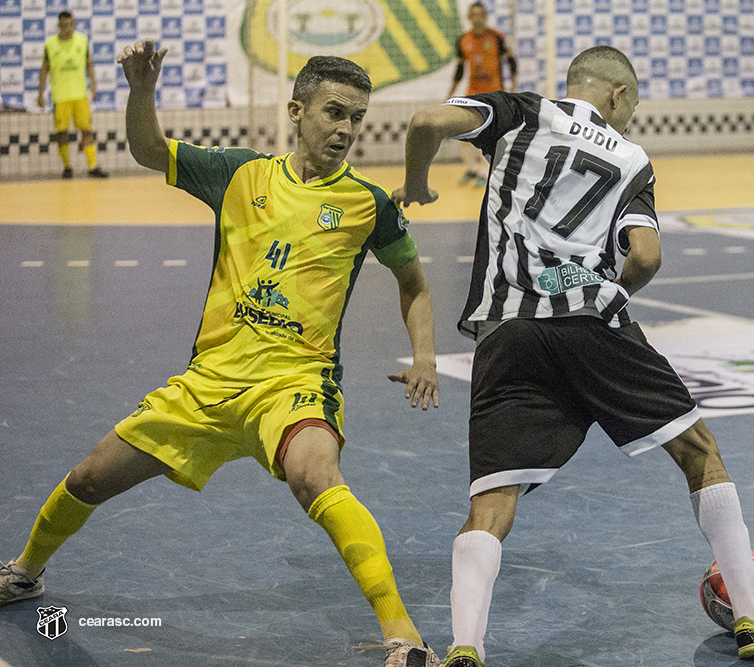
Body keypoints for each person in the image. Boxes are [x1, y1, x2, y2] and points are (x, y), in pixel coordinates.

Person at [2, 40, 440, 667]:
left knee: (316, 477)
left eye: (356, 118)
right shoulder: (240, 173)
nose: (346, 130)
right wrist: (142, 89)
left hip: (293, 384)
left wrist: (423, 355)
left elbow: (415, 285)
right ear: (297, 110)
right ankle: (24, 572)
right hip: (207, 384)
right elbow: (150, 150)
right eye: (333, 113)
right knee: (88, 478)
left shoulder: (369, 205)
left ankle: (406, 638)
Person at [392, 46, 754, 665]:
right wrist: (609, 294)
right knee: (698, 453)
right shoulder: (632, 159)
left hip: (507, 330)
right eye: (632, 108)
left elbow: (426, 123)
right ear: (617, 95)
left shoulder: (523, 113)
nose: (630, 120)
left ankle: (464, 648)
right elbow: (644, 257)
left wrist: (418, 182)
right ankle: (752, 619)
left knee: (490, 503)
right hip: (591, 322)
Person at [446, 1, 516, 188]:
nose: (477, 19)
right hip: (472, 94)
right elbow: (460, 70)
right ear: (468, 18)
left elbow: (512, 62)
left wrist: (512, 88)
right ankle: (471, 169)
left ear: (486, 17)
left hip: (494, 94)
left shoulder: (496, 37)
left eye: (481, 15)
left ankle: (485, 172)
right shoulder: (463, 40)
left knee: (490, 135)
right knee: (464, 132)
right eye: (473, 15)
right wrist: (449, 95)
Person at [38, 10, 108, 179]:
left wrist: (94, 87)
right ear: (59, 25)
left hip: (80, 95)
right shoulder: (50, 44)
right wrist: (40, 93)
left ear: (74, 24)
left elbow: (89, 65)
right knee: (62, 132)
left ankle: (92, 167)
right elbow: (44, 70)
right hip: (60, 97)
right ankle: (67, 167)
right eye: (63, 25)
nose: (67, 28)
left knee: (86, 130)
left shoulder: (82, 41)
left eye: (70, 24)